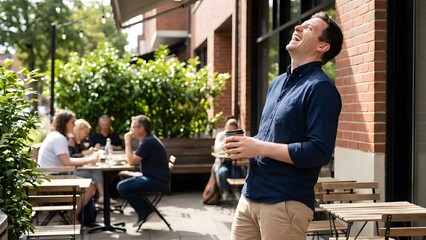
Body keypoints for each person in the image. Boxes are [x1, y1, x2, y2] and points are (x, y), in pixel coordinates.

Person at [224, 11, 343, 240]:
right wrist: (244, 145)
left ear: (323, 47)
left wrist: (258, 147)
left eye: (308, 28)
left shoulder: (321, 88)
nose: (298, 28)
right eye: (300, 25)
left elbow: (319, 152)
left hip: (284, 203)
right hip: (250, 197)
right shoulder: (277, 83)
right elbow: (270, 137)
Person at [37, 110, 99, 224]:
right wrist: (90, 159)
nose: (74, 125)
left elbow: (66, 161)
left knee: (89, 183)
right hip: (52, 179)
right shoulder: (59, 138)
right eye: (72, 122)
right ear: (64, 123)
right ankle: (71, 214)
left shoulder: (53, 135)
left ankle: (70, 214)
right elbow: (67, 162)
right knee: (90, 187)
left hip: (49, 177)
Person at [116, 114, 169, 227]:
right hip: (154, 177)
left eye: (133, 127)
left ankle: (144, 211)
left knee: (122, 186)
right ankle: (146, 209)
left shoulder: (148, 142)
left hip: (156, 181)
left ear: (141, 128)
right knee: (125, 180)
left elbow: (131, 161)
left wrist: (127, 141)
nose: (131, 130)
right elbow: (134, 159)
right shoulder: (147, 140)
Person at [68, 119, 116, 204]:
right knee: (95, 171)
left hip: (73, 169)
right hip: (68, 172)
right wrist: (86, 157)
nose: (86, 136)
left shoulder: (77, 141)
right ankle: (103, 196)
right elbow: (70, 158)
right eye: (85, 133)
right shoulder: (71, 141)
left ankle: (103, 196)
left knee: (95, 170)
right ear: (79, 130)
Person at [213, 118, 245, 200]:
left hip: (236, 161)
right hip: (224, 161)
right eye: (229, 129)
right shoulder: (220, 135)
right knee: (223, 172)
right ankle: (225, 191)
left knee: (237, 172)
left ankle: (236, 191)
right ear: (225, 127)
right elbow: (217, 149)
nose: (231, 132)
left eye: (233, 130)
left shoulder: (239, 136)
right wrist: (226, 139)